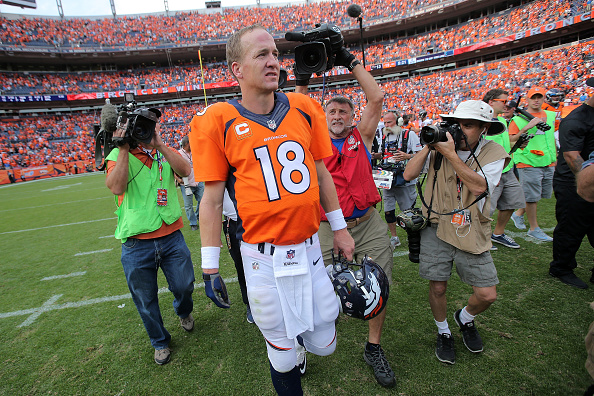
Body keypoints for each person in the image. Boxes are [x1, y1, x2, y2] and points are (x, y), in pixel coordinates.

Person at [189, 24, 354, 395]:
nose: (273, 62)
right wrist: (210, 266)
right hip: (262, 257)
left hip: (311, 247)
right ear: (237, 69)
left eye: (276, 54)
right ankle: (285, 352)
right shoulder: (216, 120)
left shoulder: (305, 107)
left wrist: (340, 228)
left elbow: (322, 174)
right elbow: (212, 200)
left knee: (325, 341)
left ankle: (298, 343)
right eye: (261, 55)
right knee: (281, 355)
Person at [296, 52, 397, 388]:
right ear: (322, 117)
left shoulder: (362, 137)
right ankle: (303, 344)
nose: (337, 115)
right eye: (332, 111)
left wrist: (348, 59)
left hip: (367, 224)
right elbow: (295, 108)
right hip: (324, 229)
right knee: (309, 287)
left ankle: (373, 346)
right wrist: (303, 77)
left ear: (354, 118)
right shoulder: (310, 142)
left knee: (379, 286)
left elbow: (377, 97)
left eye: (344, 111)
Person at [403, 100, 509, 365]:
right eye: (457, 124)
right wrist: (430, 146)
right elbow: (408, 175)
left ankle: (465, 317)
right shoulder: (438, 148)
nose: (460, 131)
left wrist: (450, 154)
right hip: (436, 226)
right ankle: (444, 331)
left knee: (487, 294)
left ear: (484, 128)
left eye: (468, 125)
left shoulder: (494, 152)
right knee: (438, 287)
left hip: (470, 228)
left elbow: (479, 187)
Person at [105, 112, 195, 366]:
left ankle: (183, 310)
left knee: (185, 285)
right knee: (145, 300)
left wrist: (160, 145)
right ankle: (159, 341)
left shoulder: (160, 152)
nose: (142, 132)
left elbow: (186, 170)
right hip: (136, 242)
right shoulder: (116, 156)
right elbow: (116, 187)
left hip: (171, 235)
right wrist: (122, 149)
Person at [549, 79, 594, 289]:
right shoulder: (577, 118)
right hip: (573, 182)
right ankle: (561, 268)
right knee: (571, 227)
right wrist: (585, 187)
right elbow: (572, 156)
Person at [508, 86, 556, 241]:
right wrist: (528, 127)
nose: (536, 100)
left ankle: (518, 214)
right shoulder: (519, 119)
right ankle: (534, 228)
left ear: (544, 98)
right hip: (528, 160)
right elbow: (510, 140)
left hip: (548, 160)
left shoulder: (550, 115)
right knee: (532, 197)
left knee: (539, 194)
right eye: (533, 97)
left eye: (539, 97)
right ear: (527, 99)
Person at [482, 89, 525, 249]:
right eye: (503, 101)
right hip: (491, 171)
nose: (506, 105)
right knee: (487, 208)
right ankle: (483, 236)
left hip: (508, 169)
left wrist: (518, 142)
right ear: (491, 102)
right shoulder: (481, 122)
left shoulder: (503, 121)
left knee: (514, 200)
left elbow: (505, 142)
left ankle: (498, 233)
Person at [381, 110, 422, 249]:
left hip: (405, 179)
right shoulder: (383, 137)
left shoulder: (409, 134)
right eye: (385, 122)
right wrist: (377, 156)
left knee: (408, 211)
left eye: (389, 122)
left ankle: (414, 237)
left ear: (398, 121)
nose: (386, 125)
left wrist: (407, 156)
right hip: (387, 180)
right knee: (388, 210)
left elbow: (421, 154)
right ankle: (394, 237)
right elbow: (383, 155)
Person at [222, 189, 253, 323]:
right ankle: (250, 303)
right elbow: (213, 200)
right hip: (232, 222)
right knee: (240, 265)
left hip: (255, 217)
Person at [176, 135, 204, 231]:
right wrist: (178, 179)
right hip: (186, 184)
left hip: (198, 181)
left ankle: (197, 215)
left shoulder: (195, 152)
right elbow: (173, 167)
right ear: (187, 144)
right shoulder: (179, 154)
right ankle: (193, 223)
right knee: (188, 206)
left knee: (203, 201)